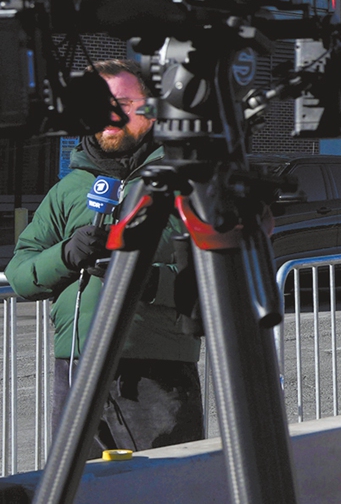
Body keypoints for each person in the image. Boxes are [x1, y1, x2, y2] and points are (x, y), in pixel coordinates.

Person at [7, 61, 201, 452]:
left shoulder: (188, 183)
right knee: (83, 488)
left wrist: (147, 281)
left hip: (157, 374)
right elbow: (20, 276)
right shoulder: (68, 189)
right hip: (76, 368)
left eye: (124, 103)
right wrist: (66, 255)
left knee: (165, 485)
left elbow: (221, 282)